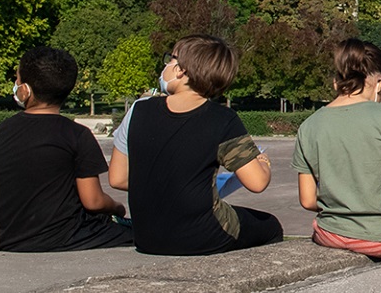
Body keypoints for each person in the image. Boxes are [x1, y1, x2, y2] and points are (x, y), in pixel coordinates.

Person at [118, 36, 282, 255]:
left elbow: (118, 178)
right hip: (202, 236)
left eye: (170, 58)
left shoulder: (139, 110)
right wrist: (262, 161)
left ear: (180, 70)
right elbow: (257, 183)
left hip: (146, 236)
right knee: (270, 225)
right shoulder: (222, 118)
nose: (166, 65)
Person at [0, 47, 130, 251]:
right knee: (136, 233)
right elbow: (93, 201)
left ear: (25, 90)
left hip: (9, 237)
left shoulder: (3, 130)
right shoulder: (77, 135)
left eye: (17, 80)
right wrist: (117, 207)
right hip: (64, 236)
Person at [295, 39, 381, 259]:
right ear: (380, 83)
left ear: (337, 82)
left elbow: (307, 200)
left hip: (330, 234)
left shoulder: (308, 127)